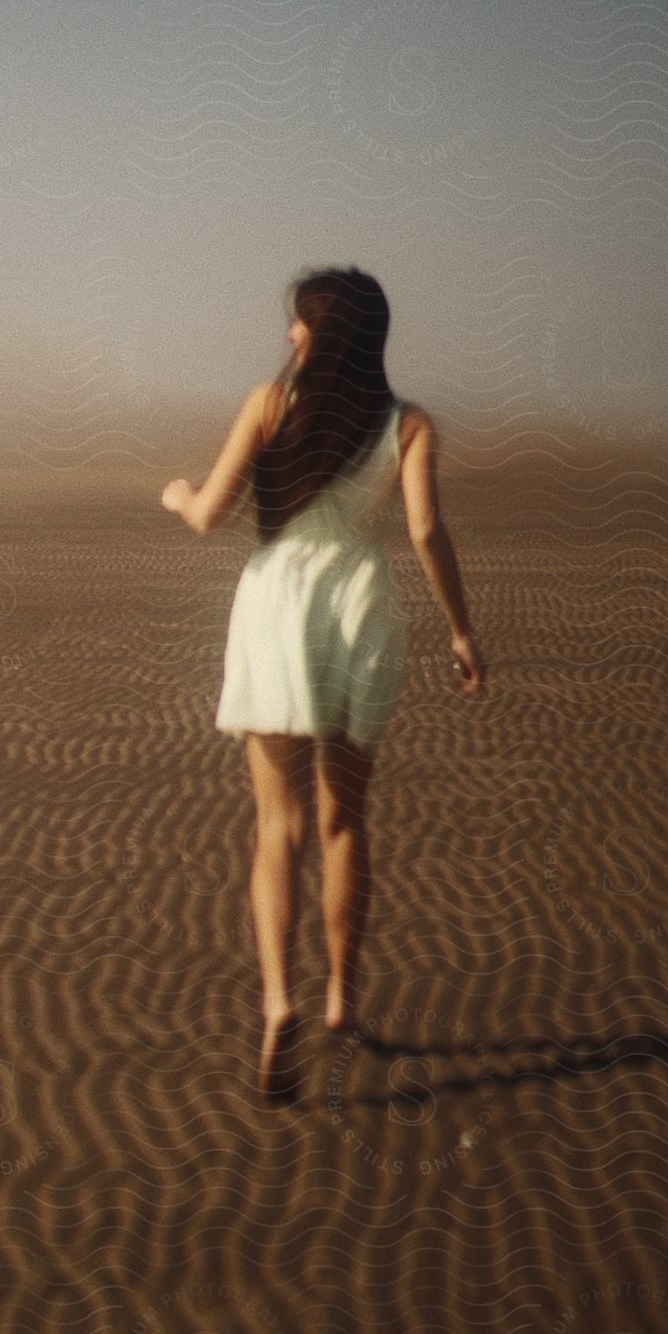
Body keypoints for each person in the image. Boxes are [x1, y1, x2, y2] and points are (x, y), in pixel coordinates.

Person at [161, 267, 486, 1104]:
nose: (288, 336)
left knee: (279, 826)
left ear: (321, 332)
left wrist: (175, 494)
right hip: (359, 609)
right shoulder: (408, 424)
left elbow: (208, 515)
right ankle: (341, 999)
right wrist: (458, 629)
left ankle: (279, 1004)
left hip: (276, 609)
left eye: (298, 324)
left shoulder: (268, 405)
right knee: (345, 820)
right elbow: (421, 529)